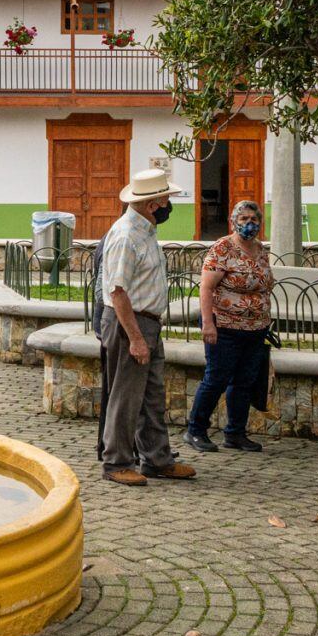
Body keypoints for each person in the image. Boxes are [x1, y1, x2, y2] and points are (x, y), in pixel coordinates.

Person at [97, 167, 196, 488]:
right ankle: (117, 462)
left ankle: (157, 458)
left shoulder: (144, 232)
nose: (169, 204)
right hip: (131, 323)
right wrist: (136, 338)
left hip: (146, 323)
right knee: (126, 396)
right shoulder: (126, 235)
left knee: (151, 395)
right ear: (153, 204)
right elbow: (117, 291)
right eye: (166, 198)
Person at [186, 197, 273, 454]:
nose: (249, 224)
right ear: (233, 221)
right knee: (216, 379)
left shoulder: (260, 250)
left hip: (255, 329)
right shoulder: (222, 248)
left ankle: (235, 433)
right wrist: (208, 324)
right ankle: (196, 430)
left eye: (254, 219)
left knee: (245, 381)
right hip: (224, 327)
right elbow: (206, 287)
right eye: (244, 219)